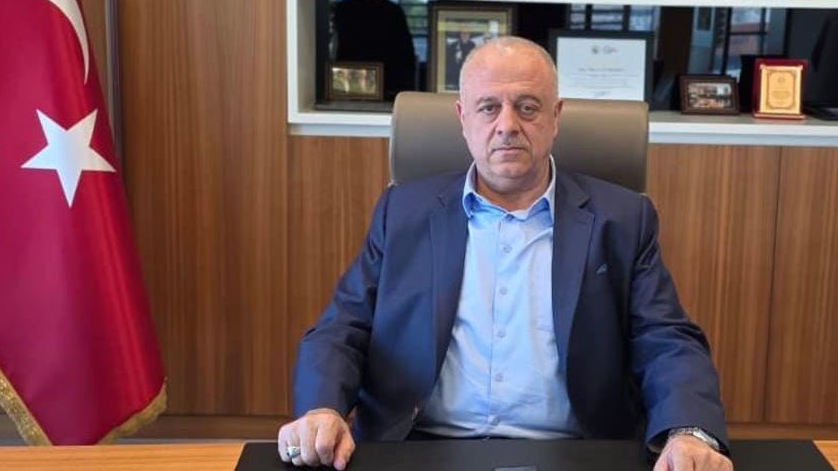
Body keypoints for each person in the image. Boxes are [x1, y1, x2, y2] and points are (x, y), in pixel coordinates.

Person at [279, 37, 733, 471]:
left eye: (528, 107)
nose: (508, 125)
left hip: (575, 453)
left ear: (556, 117)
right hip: (418, 449)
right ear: (463, 118)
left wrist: (689, 430)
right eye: (488, 107)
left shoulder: (622, 219)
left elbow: (665, 338)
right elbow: (344, 326)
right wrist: (322, 409)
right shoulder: (402, 212)